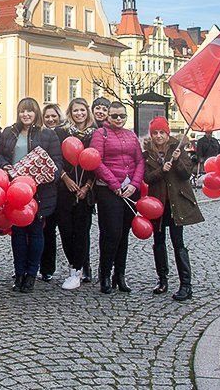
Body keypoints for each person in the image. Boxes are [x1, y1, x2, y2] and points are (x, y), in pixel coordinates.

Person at [0, 97, 62, 293]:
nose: (26, 114)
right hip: (14, 190)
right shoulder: (9, 132)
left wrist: (47, 176)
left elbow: (57, 163)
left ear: (36, 113)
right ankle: (19, 273)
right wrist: (4, 165)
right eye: (23, 111)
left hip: (39, 191)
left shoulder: (47, 135)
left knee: (36, 233)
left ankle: (31, 274)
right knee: (18, 234)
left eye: (30, 111)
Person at [143, 117, 203, 301]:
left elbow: (186, 173)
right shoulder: (148, 155)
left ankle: (186, 285)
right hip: (157, 204)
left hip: (176, 203)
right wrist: (162, 170)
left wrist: (176, 161)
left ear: (168, 134)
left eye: (162, 132)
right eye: (155, 133)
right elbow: (147, 178)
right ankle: (162, 280)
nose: (159, 136)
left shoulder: (178, 149)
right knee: (159, 242)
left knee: (178, 243)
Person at [90, 100, 144, 295]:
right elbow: (97, 162)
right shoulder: (100, 134)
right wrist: (115, 185)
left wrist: (134, 185)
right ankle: (104, 274)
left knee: (123, 234)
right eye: (114, 116)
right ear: (108, 117)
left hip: (130, 190)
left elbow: (139, 161)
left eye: (122, 115)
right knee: (111, 233)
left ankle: (119, 275)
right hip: (109, 190)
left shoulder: (131, 135)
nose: (119, 119)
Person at [54, 97, 96, 289]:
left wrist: (87, 186)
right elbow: (56, 159)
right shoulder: (61, 133)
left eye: (82, 110)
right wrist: (65, 178)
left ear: (87, 112)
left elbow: (95, 164)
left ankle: (77, 270)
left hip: (85, 192)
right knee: (65, 231)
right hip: (65, 189)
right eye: (76, 110)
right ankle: (72, 265)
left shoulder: (95, 134)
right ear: (70, 113)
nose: (79, 114)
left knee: (81, 232)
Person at [38, 103, 64, 283]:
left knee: (53, 229)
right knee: (43, 230)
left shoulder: (63, 134)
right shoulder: (39, 134)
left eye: (53, 116)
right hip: (44, 187)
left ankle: (48, 267)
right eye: (47, 116)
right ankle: (41, 266)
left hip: (62, 188)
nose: (50, 119)